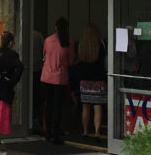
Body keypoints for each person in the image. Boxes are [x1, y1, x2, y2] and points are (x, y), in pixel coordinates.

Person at [40, 17, 75, 145]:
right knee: (57, 107)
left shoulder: (48, 40)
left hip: (46, 77)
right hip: (60, 79)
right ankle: (55, 133)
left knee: (48, 105)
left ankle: (47, 132)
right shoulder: (68, 43)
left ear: (56, 27)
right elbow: (71, 62)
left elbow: (44, 55)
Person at [77, 23, 107, 142]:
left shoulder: (81, 45)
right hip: (98, 81)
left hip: (85, 80)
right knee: (97, 108)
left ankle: (85, 131)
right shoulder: (100, 46)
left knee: (85, 108)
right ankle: (97, 133)